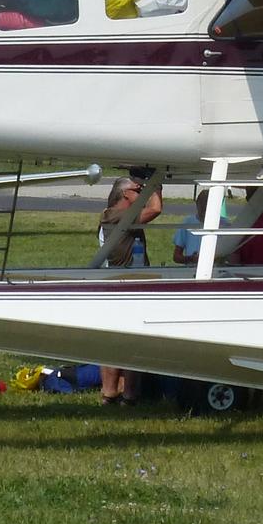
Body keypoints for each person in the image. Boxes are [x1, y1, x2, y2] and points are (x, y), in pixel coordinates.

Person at [98, 167, 163, 404]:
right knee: (122, 341)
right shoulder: (115, 216)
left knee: (125, 339)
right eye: (136, 190)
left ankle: (121, 393)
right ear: (126, 195)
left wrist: (151, 187)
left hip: (126, 283)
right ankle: (117, 394)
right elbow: (156, 209)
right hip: (121, 285)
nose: (141, 193)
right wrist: (154, 188)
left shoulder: (118, 215)